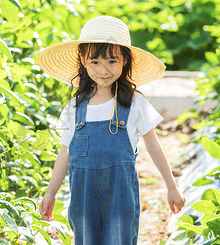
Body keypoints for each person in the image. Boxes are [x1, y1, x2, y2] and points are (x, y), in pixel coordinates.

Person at [37, 15, 186, 244]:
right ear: (83, 62)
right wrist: (50, 193)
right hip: (83, 198)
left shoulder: (133, 103)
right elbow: (66, 151)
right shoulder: (75, 107)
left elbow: (154, 146)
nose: (103, 69)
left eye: (112, 61)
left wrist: (172, 187)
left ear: (125, 61)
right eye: (95, 62)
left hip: (120, 197)